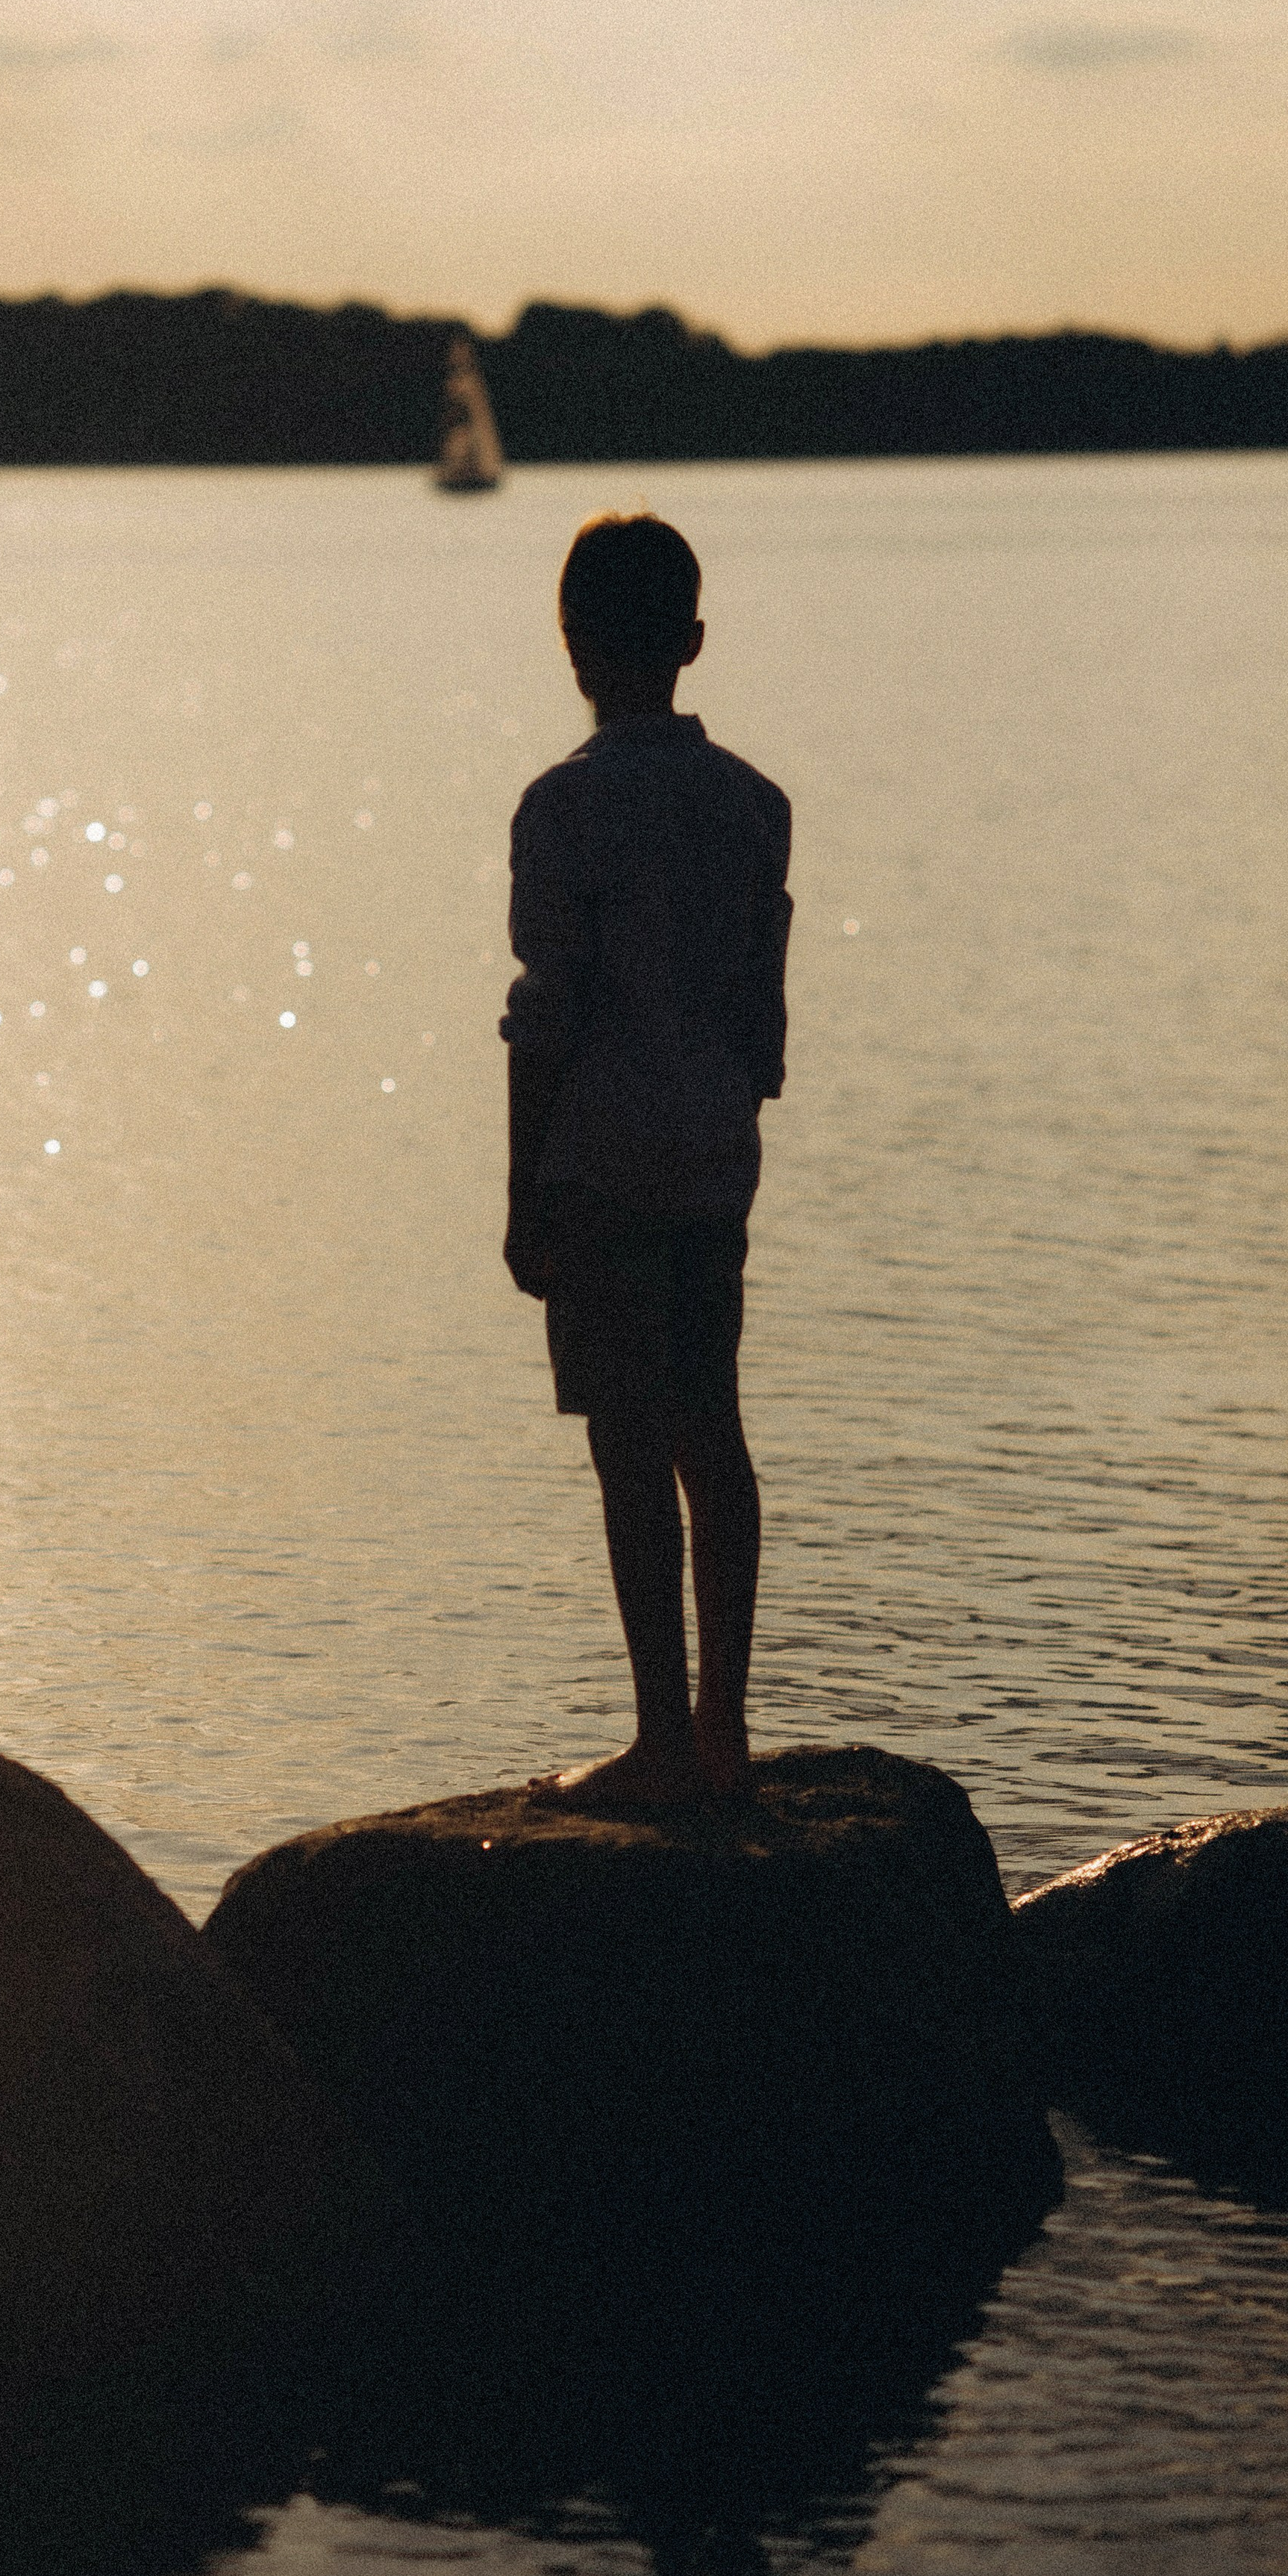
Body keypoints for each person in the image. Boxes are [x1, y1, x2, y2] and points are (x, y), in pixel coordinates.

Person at [501, 514, 792, 1812]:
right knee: (710, 1428)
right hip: (713, 1153)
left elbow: (546, 1012)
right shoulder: (755, 806)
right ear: (692, 644)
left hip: (605, 1156)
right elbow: (765, 1025)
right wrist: (725, 1100)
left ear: (572, 648)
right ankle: (725, 1729)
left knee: (629, 1444)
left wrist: (524, 1192)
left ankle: (661, 1735)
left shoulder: (561, 809)